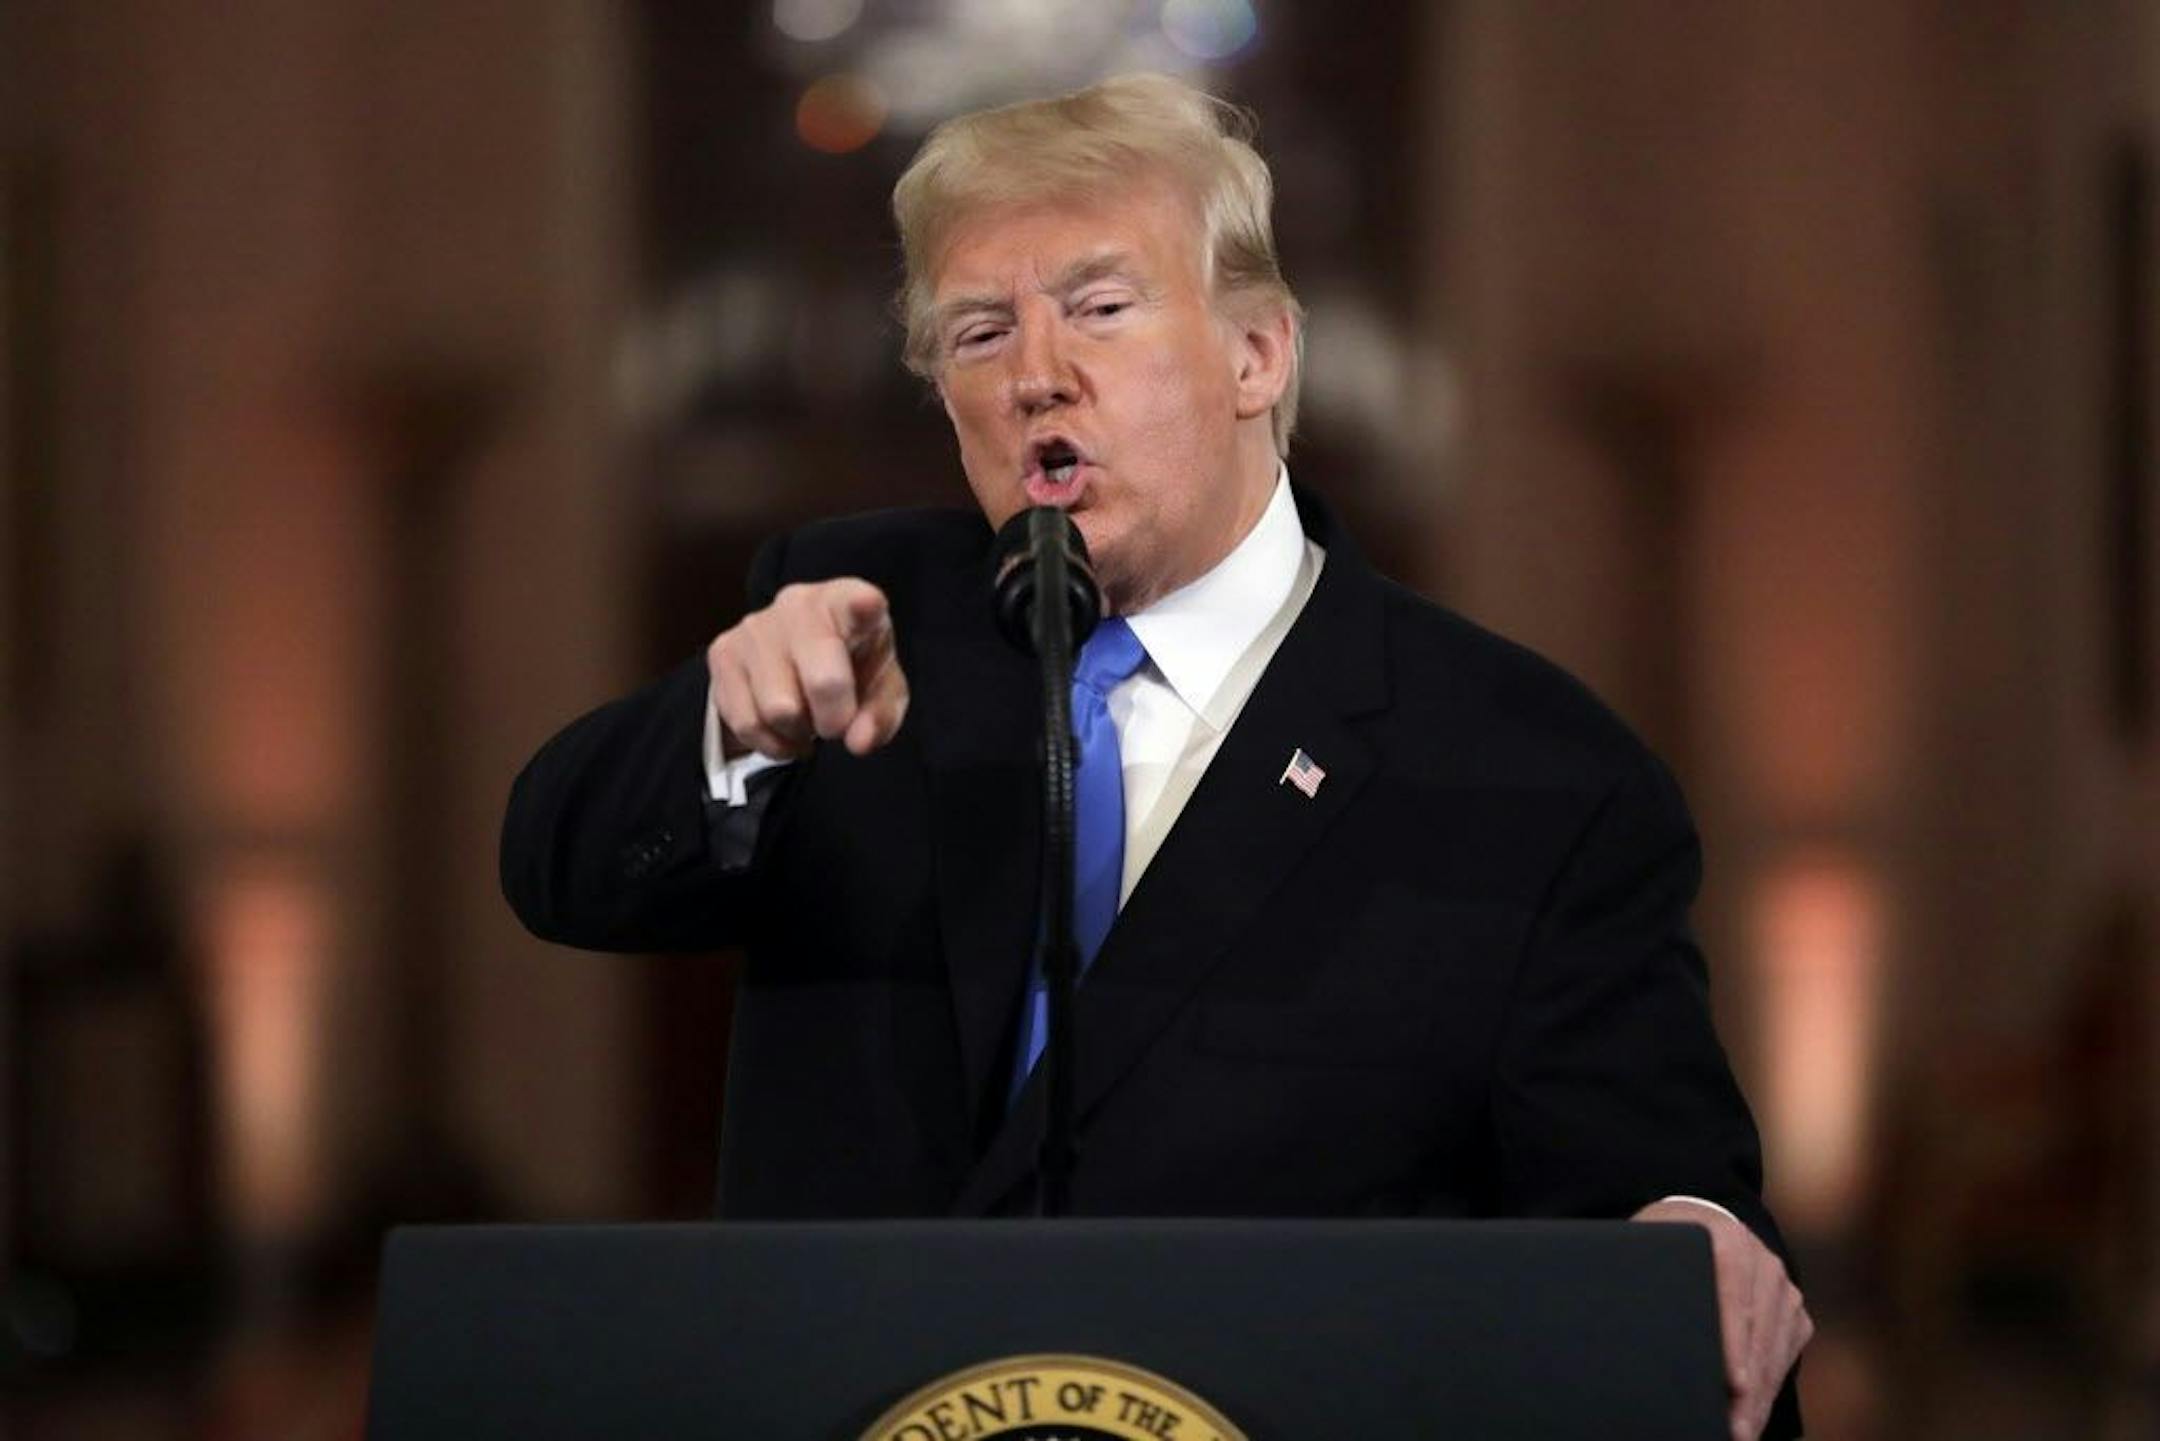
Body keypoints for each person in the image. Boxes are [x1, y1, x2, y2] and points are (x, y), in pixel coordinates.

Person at [501, 73, 1811, 1439]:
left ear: (1260, 354)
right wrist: (730, 732)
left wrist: (1690, 1236)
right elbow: (556, 865)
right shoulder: (850, 628)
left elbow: (1658, 1180)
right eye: (979, 331)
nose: (1035, 375)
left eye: (1101, 306)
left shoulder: (1533, 771)